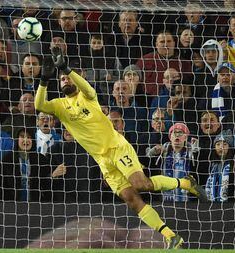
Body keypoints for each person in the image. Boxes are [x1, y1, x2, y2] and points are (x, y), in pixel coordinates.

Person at [34, 46, 208, 249]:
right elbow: (39, 105)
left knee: (141, 184)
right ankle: (171, 236)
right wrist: (44, 80)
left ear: (75, 80)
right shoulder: (58, 105)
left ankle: (185, 183)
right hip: (103, 161)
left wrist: (65, 68)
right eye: (61, 79)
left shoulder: (87, 95)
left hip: (117, 147)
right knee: (131, 199)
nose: (65, 80)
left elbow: (87, 88)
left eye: (67, 78)